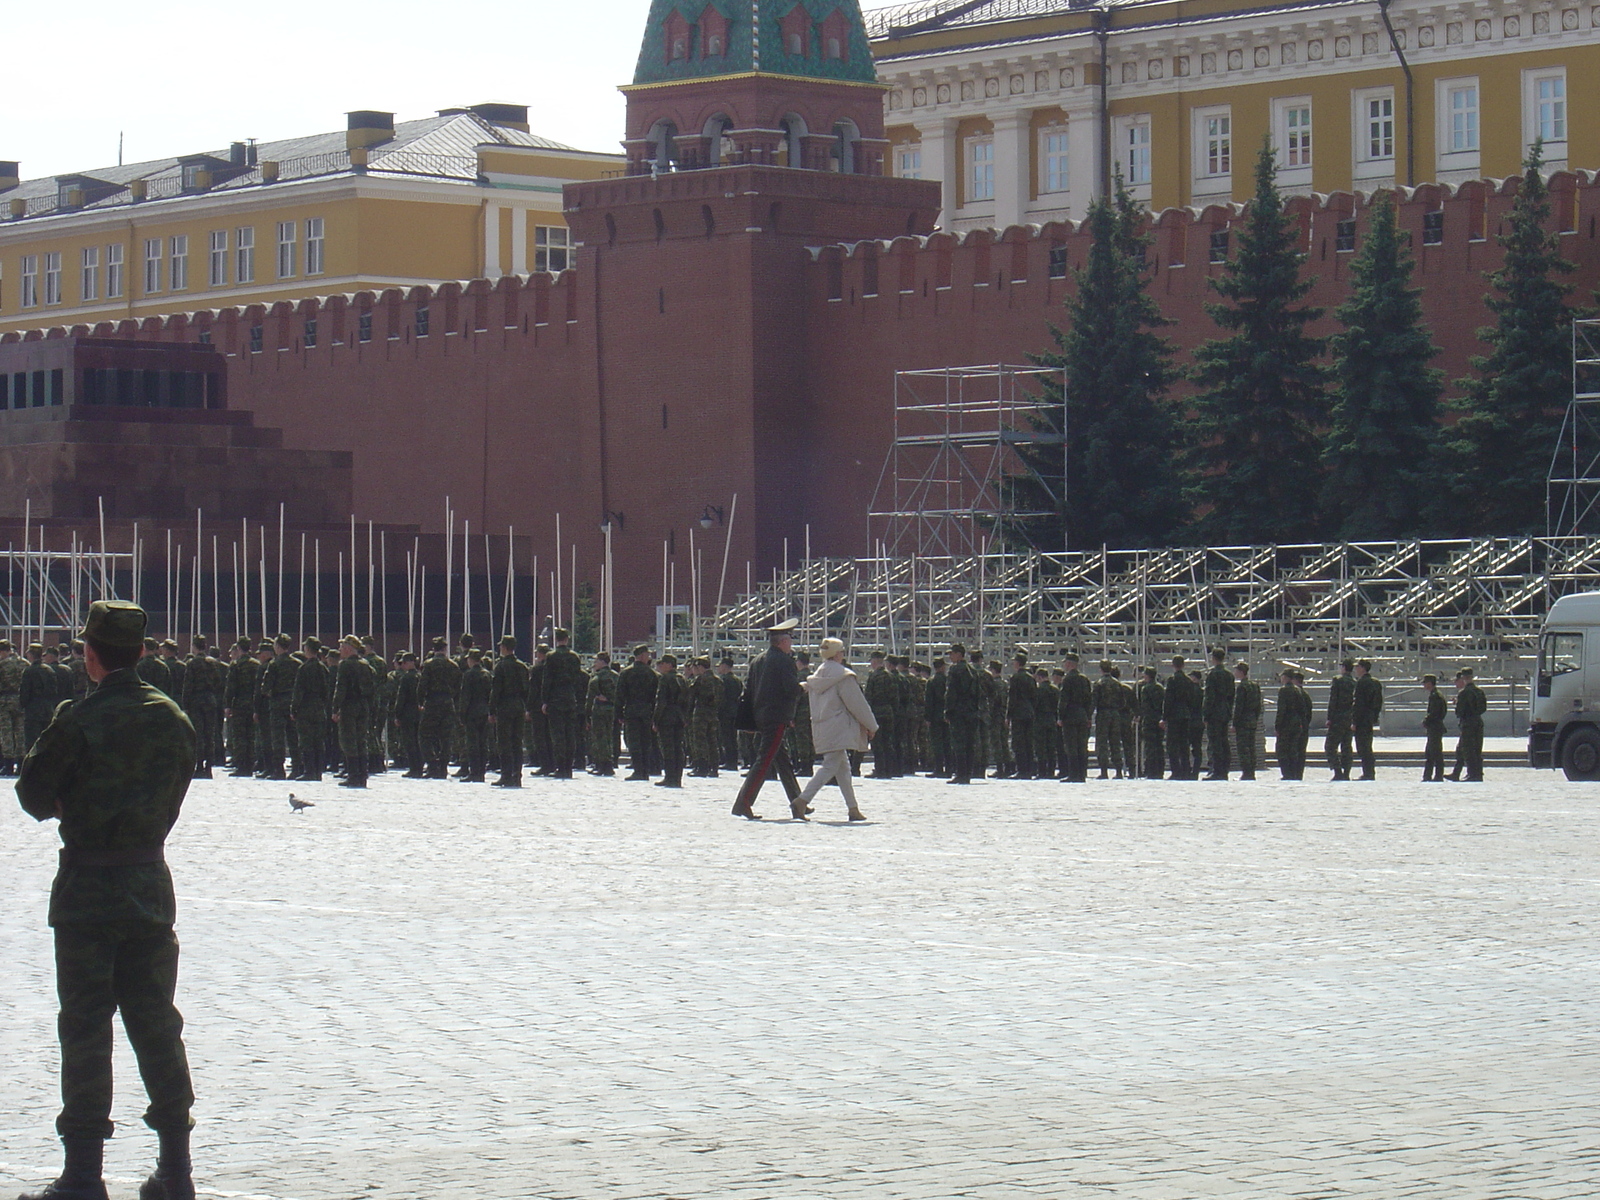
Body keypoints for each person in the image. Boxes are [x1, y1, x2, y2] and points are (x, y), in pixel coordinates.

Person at [15, 600, 198, 1200]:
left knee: (87, 1027)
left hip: (89, 890)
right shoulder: (172, 717)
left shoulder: (79, 720)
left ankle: (83, 1174)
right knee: (157, 1023)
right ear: (142, 651)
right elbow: (174, 791)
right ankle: (175, 1170)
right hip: (148, 883)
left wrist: (77, 804)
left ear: (89, 655)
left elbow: (33, 793)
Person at [793, 638, 877, 821]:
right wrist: (871, 725)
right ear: (838, 653)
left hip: (821, 725)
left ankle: (853, 808)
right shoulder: (843, 675)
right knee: (831, 765)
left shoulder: (818, 674)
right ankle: (802, 800)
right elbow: (857, 704)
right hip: (839, 727)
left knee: (842, 767)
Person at [732, 618, 804, 817]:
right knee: (764, 761)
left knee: (783, 761)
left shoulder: (758, 660)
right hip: (776, 717)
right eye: (789, 639)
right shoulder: (784, 661)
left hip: (761, 716)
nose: (791, 644)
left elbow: (748, 690)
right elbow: (790, 689)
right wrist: (804, 688)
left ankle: (798, 802)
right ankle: (743, 802)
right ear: (783, 641)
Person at [540, 628, 585, 779]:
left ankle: (560, 767)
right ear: (567, 639)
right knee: (570, 734)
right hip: (570, 698)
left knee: (558, 735)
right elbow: (579, 680)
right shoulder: (574, 657)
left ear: (556, 639)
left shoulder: (551, 657)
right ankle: (569, 767)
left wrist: (545, 700)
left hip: (555, 699)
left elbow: (547, 680)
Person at [332, 635, 376, 788]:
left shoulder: (345, 665)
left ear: (349, 648)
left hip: (349, 706)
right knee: (361, 741)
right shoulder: (366, 665)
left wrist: (335, 708)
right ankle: (362, 776)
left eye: (342, 647)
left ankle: (353, 775)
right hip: (363, 706)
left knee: (349, 741)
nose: (340, 650)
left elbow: (341, 689)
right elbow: (372, 689)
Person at [290, 637, 331, 782]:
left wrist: (294, 709)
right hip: (319, 708)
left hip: (305, 709)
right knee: (318, 741)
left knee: (306, 741)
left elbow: (298, 691)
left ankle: (309, 771)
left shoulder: (304, 668)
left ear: (307, 649)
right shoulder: (323, 668)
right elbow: (327, 691)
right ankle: (318, 771)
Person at [618, 645, 658, 780]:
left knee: (634, 742)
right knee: (646, 742)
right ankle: (646, 770)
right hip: (647, 712)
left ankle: (638, 770)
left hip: (632, 711)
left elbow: (620, 695)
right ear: (641, 655)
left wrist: (618, 713)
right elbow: (656, 696)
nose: (649, 657)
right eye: (647, 655)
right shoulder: (652, 674)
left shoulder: (626, 673)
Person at [943, 643, 980, 785]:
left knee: (959, 743)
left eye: (952, 654)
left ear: (959, 654)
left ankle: (960, 773)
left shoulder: (955, 670)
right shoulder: (973, 670)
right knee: (970, 744)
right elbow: (977, 693)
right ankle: (967, 774)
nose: (950, 657)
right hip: (971, 711)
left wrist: (948, 711)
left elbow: (951, 693)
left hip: (959, 711)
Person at [652, 654, 689, 789]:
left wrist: (656, 720)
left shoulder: (665, 679)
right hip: (679, 717)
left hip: (667, 717)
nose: (660, 666)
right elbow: (687, 701)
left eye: (663, 663)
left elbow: (661, 701)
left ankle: (669, 777)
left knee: (668, 748)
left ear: (669, 665)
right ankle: (677, 778)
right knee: (678, 748)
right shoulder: (682, 679)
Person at [222, 638, 258, 776]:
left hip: (239, 704)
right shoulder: (256, 665)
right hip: (252, 703)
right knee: (250, 735)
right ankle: (250, 764)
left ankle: (242, 766)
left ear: (238, 648)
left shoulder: (235, 665)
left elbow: (231, 687)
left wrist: (228, 706)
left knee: (239, 736)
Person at [458, 649, 493, 782]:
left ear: (471, 660)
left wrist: (462, 714)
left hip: (472, 713)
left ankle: (474, 772)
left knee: (472, 743)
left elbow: (465, 696)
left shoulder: (468, 675)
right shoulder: (487, 674)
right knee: (483, 743)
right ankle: (482, 772)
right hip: (484, 711)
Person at [1056, 653, 1091, 783]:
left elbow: (1064, 699)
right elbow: (1089, 699)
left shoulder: (1067, 679)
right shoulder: (1084, 679)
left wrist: (1060, 716)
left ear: (1070, 664)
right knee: (1082, 746)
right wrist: (1088, 716)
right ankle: (1082, 774)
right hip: (1082, 715)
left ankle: (1073, 774)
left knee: (1071, 746)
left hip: (1070, 715)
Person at [1161, 657, 1195, 780]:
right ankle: (1186, 770)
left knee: (1172, 745)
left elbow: (1168, 700)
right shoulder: (1188, 681)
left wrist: (1164, 717)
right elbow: (1192, 700)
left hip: (1174, 715)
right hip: (1185, 714)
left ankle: (1176, 771)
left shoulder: (1172, 680)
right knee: (1184, 744)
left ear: (1173, 665)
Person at [1202, 647, 1234, 780]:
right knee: (1224, 741)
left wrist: (1206, 714)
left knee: (1215, 742)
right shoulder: (1229, 675)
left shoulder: (1213, 674)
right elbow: (1232, 695)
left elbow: (1209, 696)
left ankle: (1216, 770)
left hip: (1214, 712)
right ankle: (1224, 770)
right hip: (1225, 711)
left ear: (1213, 658)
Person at [22, 642, 59, 754]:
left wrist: (23, 705)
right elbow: (54, 691)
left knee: (32, 742)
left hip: (33, 710)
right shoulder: (49, 670)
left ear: (30, 654)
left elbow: (25, 693)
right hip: (47, 709)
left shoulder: (29, 671)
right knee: (47, 740)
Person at [1450, 667, 1487, 782]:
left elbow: (1460, 711)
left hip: (1467, 723)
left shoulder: (1464, 693)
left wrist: (1457, 705)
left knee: (1468, 750)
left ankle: (1472, 774)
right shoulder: (1479, 691)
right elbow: (1483, 708)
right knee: (1476, 749)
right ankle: (1477, 773)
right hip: (1478, 721)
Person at [1351, 659, 1383, 780]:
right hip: (1369, 718)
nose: (1356, 669)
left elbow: (1358, 704)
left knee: (1362, 747)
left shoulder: (1361, 683)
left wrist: (1354, 721)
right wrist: (1374, 716)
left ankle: (1368, 773)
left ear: (1363, 668)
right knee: (1367, 746)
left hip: (1362, 719)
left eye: (1358, 667)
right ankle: (1370, 771)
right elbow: (1378, 702)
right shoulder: (1375, 683)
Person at [1092, 660, 1124, 779]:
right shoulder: (1117, 683)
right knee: (1115, 742)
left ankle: (1104, 771)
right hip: (1115, 714)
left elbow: (1094, 701)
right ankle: (1119, 770)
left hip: (1103, 714)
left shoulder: (1099, 683)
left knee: (1102, 743)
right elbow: (1122, 702)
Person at [1274, 668, 1307, 780]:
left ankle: (1286, 773)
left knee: (1282, 750)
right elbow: (1303, 710)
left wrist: (1278, 726)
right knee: (1293, 750)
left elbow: (1281, 710)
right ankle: (1294, 773)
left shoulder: (1283, 690)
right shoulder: (1298, 690)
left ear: (1286, 677)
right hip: (1296, 724)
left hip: (1286, 724)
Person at [1007, 652, 1036, 779]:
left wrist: (1008, 716)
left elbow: (1012, 698)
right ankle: (1030, 769)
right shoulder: (1031, 678)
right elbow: (1034, 697)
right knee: (1028, 742)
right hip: (1029, 712)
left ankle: (1022, 770)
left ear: (1018, 663)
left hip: (1018, 713)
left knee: (1019, 742)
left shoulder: (1015, 678)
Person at [1325, 659, 1356, 781]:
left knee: (1330, 746)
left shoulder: (1338, 681)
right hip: (1349, 718)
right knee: (1346, 747)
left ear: (1343, 668)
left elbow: (1333, 700)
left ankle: (1337, 771)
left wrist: (1329, 718)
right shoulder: (1355, 682)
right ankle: (1347, 772)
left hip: (1337, 718)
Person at [0, 639, 26, 774]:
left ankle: (8, 764)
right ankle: (21, 763)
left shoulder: (2, 665)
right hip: (20, 700)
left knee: (6, 733)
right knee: (20, 732)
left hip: (4, 701)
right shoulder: (24, 663)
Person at [1232, 662, 1261, 780]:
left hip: (1243, 722)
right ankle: (1252, 771)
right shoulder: (1255, 686)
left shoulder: (1242, 687)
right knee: (1251, 747)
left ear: (1240, 672)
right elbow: (1258, 705)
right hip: (1252, 720)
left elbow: (1239, 707)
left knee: (1243, 748)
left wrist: (1235, 723)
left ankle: (1246, 772)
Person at [1134, 666, 1164, 780]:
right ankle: (1159, 770)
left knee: (1150, 747)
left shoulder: (1146, 689)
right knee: (1159, 746)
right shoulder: (1160, 688)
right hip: (1158, 719)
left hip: (1149, 720)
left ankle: (1150, 771)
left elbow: (1144, 706)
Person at [716, 658, 742, 771]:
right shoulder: (737, 680)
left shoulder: (723, 680)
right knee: (732, 738)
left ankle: (729, 761)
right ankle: (733, 761)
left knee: (727, 738)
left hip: (725, 712)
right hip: (734, 711)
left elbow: (721, 697)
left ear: (725, 666)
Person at [1421, 673, 1447, 782]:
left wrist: (1426, 721)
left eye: (1425, 683)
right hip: (1436, 726)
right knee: (1432, 752)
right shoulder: (1436, 695)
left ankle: (1436, 775)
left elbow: (1435, 713)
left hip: (1434, 727)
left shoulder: (1435, 696)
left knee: (1434, 752)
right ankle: (1430, 775)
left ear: (1430, 683)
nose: (1424, 685)